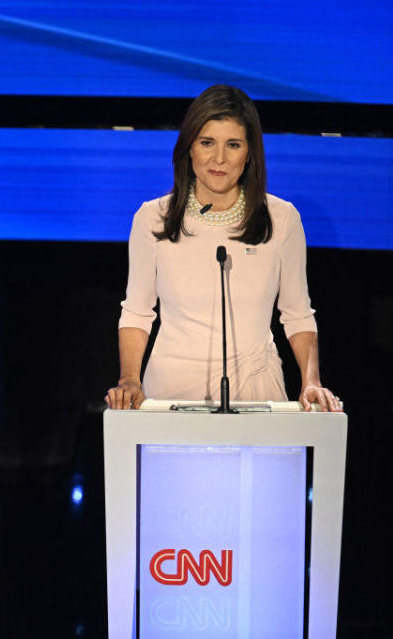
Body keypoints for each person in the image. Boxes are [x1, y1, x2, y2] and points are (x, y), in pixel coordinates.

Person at [104, 85, 340, 412]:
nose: (219, 159)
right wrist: (129, 379)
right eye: (207, 143)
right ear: (189, 148)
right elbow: (137, 312)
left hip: (255, 392)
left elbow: (298, 314)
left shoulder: (281, 219)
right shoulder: (152, 218)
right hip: (171, 393)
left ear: (249, 152)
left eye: (233, 145)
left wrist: (311, 381)